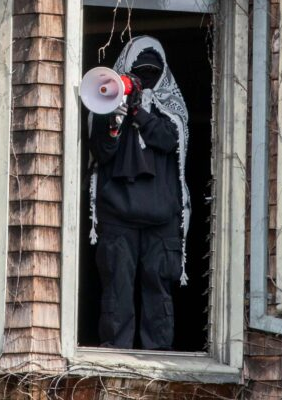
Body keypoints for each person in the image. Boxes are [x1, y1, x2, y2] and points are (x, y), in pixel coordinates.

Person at [87, 35, 190, 350]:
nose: (144, 81)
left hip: (161, 220)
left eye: (150, 74)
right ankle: (116, 350)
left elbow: (168, 140)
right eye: (138, 74)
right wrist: (117, 114)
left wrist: (139, 113)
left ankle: (157, 355)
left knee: (157, 288)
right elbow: (102, 152)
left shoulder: (171, 109)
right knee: (116, 288)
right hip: (118, 216)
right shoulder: (107, 107)